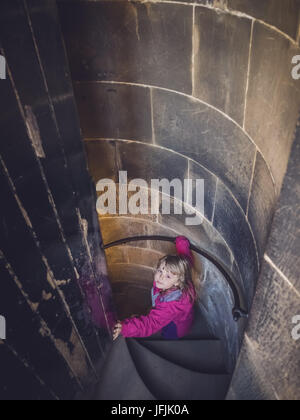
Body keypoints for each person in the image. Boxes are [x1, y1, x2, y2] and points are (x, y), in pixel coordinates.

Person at [113, 236, 197, 340]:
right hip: (178, 317)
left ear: (178, 282)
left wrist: (125, 328)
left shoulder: (171, 304)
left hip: (174, 328)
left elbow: (151, 324)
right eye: (160, 270)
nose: (160, 277)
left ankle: (167, 339)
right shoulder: (181, 275)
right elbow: (185, 256)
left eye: (168, 276)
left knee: (166, 333)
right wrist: (181, 243)